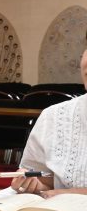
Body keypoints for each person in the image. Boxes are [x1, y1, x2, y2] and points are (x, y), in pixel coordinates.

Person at [12, 48, 87, 198]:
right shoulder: (53, 116)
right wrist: (35, 184)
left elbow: (61, 190)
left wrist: (65, 194)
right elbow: (45, 178)